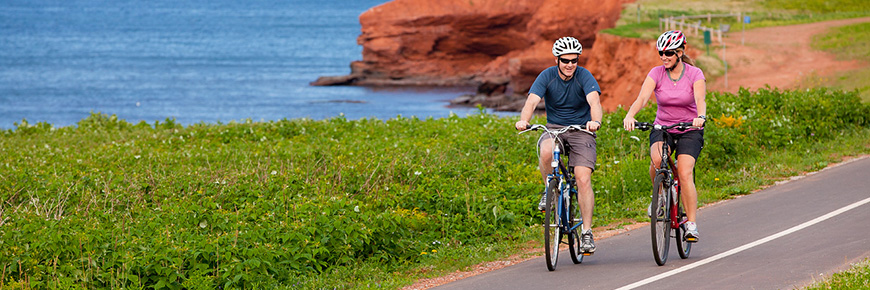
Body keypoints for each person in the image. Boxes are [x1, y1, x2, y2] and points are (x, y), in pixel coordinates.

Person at [515, 36, 603, 254]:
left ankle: (587, 233)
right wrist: (523, 121)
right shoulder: (546, 76)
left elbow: (595, 101)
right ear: (557, 59)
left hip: (582, 130)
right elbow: (532, 101)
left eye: (574, 60)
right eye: (565, 60)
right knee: (546, 151)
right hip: (554, 128)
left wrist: (596, 122)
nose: (570, 65)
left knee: (583, 178)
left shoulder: (584, 76)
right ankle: (549, 189)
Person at [622, 30, 707, 242]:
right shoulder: (656, 73)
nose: (664, 57)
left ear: (680, 52)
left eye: (668, 53)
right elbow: (642, 98)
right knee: (658, 159)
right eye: (661, 53)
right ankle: (660, 197)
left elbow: (700, 99)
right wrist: (630, 115)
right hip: (664, 127)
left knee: (685, 172)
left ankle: (691, 224)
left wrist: (701, 116)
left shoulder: (695, 74)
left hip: (689, 129)